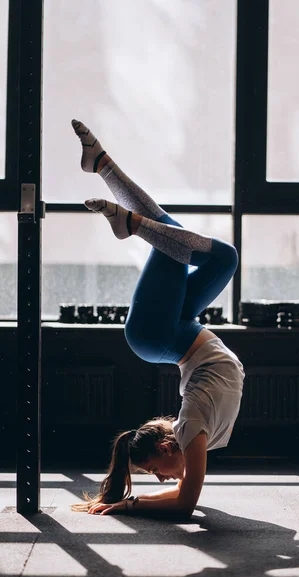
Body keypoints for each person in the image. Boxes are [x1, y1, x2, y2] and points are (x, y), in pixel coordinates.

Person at [70, 120, 245, 518]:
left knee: (184, 246)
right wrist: (129, 501)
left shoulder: (191, 428)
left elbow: (186, 502)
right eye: (155, 475)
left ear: (166, 448)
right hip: (178, 330)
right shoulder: (196, 436)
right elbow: (186, 498)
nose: (162, 478)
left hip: (161, 337)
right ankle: (102, 167)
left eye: (153, 471)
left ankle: (129, 223)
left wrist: (129, 504)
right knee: (210, 253)